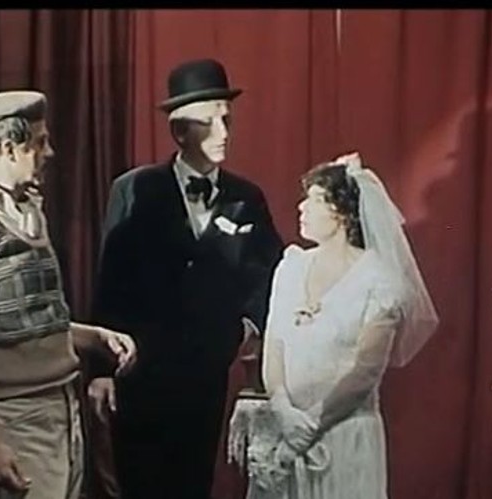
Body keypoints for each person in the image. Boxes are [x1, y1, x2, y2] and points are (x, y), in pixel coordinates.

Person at [0, 90, 137, 499]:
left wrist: (94, 337)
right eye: (40, 142)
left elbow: (26, 318)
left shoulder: (30, 212)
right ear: (9, 148)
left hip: (63, 405)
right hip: (16, 416)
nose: (49, 152)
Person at [90, 58, 285, 499]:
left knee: (193, 485)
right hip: (140, 374)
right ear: (179, 132)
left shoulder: (246, 198)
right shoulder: (134, 189)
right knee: (139, 485)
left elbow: (270, 272)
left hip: (205, 377)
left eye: (227, 120)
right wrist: (101, 371)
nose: (224, 132)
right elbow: (111, 280)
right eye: (209, 122)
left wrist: (246, 326)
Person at [228, 152, 439, 499]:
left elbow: (366, 370)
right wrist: (283, 410)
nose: (301, 208)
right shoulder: (292, 265)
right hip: (288, 429)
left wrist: (310, 427)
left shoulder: (379, 279)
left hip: (344, 435)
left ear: (341, 212)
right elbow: (275, 344)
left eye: (314, 200)